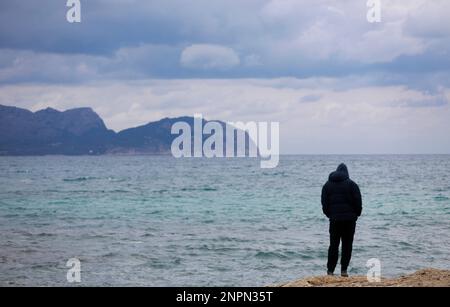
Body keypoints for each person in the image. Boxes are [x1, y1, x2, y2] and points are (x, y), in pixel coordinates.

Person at [321, 163, 362, 277]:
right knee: (347, 245)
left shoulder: (327, 185)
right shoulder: (352, 185)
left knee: (333, 245)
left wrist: (330, 214)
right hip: (350, 221)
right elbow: (358, 202)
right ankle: (344, 271)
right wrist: (356, 214)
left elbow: (324, 204)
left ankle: (330, 271)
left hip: (334, 220)